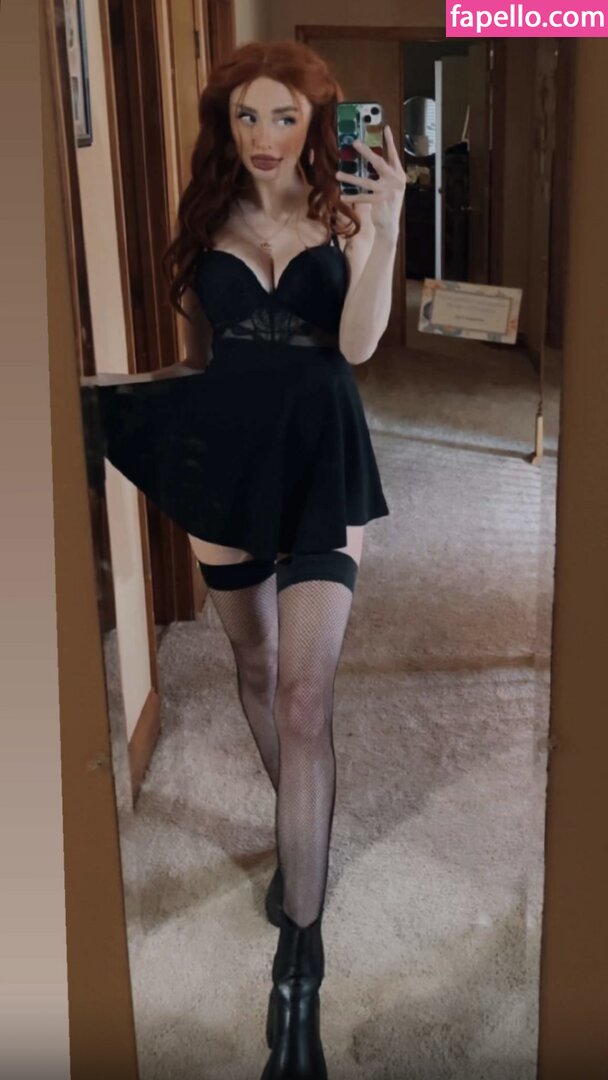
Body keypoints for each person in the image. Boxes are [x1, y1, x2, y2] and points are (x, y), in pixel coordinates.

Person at [83, 39, 405, 1080]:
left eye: (285, 117)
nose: (264, 137)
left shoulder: (346, 217)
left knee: (306, 697)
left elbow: (356, 348)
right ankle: (297, 827)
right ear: (226, 128)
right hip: (226, 462)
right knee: (256, 669)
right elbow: (197, 363)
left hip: (323, 459)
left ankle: (296, 977)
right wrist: (109, 398)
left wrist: (387, 224)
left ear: (317, 124)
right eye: (246, 118)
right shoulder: (202, 225)